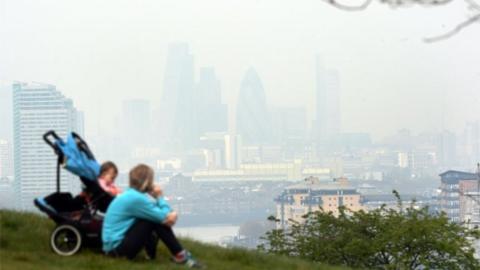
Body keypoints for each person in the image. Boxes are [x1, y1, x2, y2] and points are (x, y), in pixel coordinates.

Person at [102, 164, 202, 268]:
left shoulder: (131, 195)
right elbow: (166, 218)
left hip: (111, 248)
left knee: (151, 217)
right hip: (117, 251)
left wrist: (165, 214)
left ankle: (153, 256)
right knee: (152, 220)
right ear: (147, 181)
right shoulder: (137, 199)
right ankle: (180, 255)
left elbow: (158, 213)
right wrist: (159, 197)